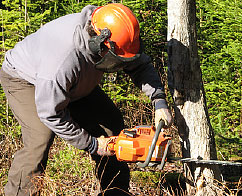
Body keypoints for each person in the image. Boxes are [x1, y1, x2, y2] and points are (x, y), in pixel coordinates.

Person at [0, 3, 172, 196]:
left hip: (75, 83)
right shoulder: (62, 61)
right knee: (40, 139)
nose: (119, 65)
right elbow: (50, 113)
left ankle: (115, 192)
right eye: (116, 59)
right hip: (25, 79)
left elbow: (138, 66)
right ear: (98, 43)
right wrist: (92, 144)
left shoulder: (116, 34)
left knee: (111, 124)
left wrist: (159, 101)